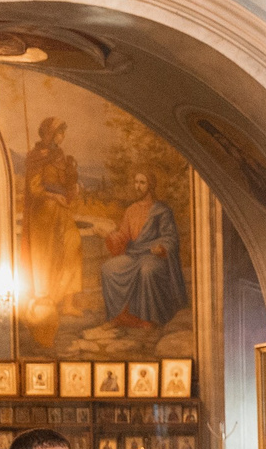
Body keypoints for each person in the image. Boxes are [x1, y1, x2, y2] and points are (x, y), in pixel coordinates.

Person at [94, 170, 189, 330]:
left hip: (154, 256)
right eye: (136, 182)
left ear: (150, 185)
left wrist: (161, 247)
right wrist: (109, 235)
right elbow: (123, 236)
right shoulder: (131, 210)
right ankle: (119, 316)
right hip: (134, 255)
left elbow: (171, 238)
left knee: (147, 270)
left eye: (142, 183)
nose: (137, 186)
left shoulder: (161, 211)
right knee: (108, 268)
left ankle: (148, 319)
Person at [21, 118, 83, 351]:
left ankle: (68, 301)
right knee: (46, 258)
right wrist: (53, 196)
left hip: (61, 212)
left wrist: (73, 183)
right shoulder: (36, 157)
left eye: (62, 133)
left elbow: (66, 185)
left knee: (73, 244)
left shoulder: (60, 156)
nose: (61, 137)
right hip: (43, 215)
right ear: (48, 134)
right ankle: (46, 300)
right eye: (58, 133)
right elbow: (34, 189)